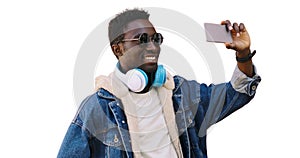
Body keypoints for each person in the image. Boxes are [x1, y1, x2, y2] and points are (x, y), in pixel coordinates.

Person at [58, 8, 261, 158]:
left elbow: (236, 94)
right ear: (117, 49)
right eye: (142, 39)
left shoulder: (181, 93)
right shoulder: (96, 108)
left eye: (157, 38)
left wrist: (243, 54)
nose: (153, 46)